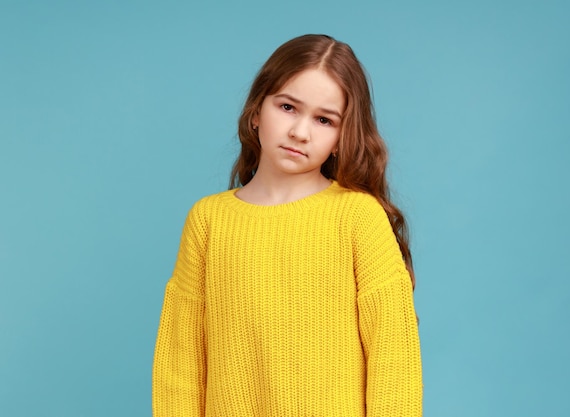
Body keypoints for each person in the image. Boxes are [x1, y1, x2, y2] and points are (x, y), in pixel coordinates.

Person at [153, 34, 423, 417]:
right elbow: (181, 364)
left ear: (340, 138)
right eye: (288, 107)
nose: (300, 132)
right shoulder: (209, 221)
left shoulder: (358, 217)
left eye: (324, 119)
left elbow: (394, 361)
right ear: (256, 112)